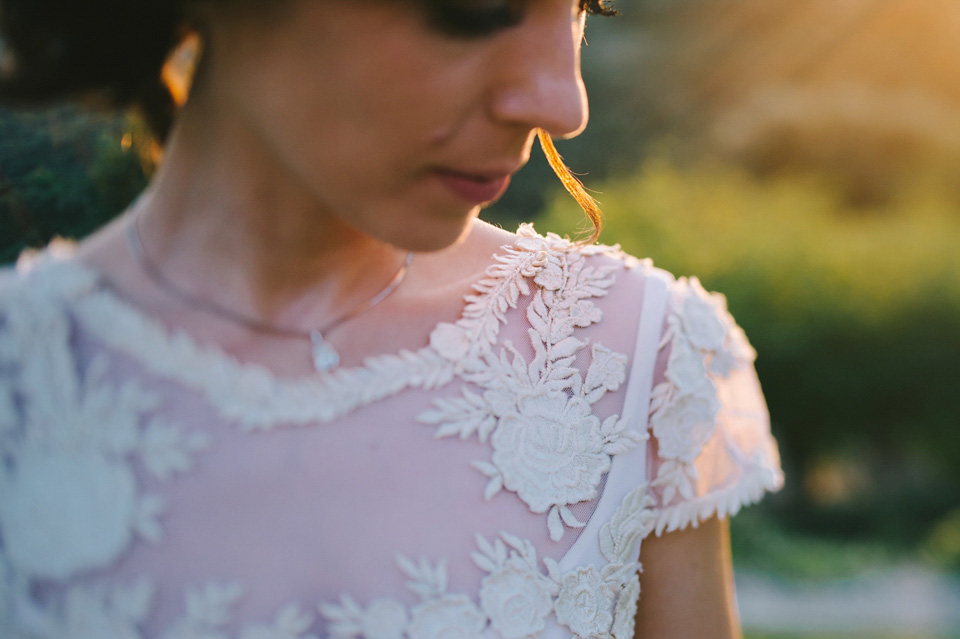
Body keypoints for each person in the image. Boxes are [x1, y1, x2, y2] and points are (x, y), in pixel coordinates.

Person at [0, 0, 784, 637]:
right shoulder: (19, 387)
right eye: (475, 10)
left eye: (585, 5)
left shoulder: (629, 362)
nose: (562, 102)